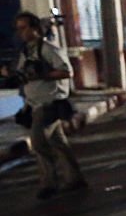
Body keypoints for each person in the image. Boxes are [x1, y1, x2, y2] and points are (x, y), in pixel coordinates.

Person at [8, 11, 86, 199]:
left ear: (35, 28)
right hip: (34, 104)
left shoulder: (49, 49)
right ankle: (74, 178)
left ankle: (49, 183)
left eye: (24, 27)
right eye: (18, 29)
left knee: (38, 142)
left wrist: (44, 74)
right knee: (58, 142)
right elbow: (22, 74)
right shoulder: (26, 51)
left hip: (49, 103)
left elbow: (67, 72)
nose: (21, 33)